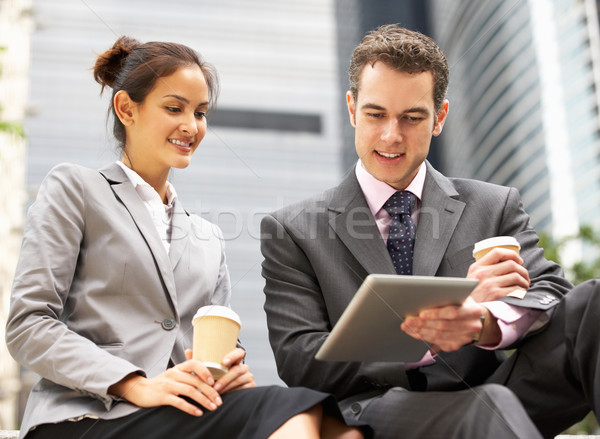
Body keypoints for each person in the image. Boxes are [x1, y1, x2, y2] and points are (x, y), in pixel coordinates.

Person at [6, 36, 366, 439]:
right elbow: (28, 325)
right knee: (294, 407)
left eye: (200, 112)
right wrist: (136, 384)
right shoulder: (77, 189)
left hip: (178, 413)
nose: (191, 126)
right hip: (86, 416)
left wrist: (227, 371)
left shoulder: (207, 237)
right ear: (127, 109)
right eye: (174, 108)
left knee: (341, 428)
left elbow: (212, 345)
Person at [261, 24, 600, 439]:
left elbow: (552, 296)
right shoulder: (292, 230)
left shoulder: (494, 205)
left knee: (594, 304)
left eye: (412, 117)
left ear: (439, 117)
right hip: (377, 411)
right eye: (375, 114)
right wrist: (426, 338)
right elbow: (300, 359)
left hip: (493, 390)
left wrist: (487, 322)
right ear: (352, 110)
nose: (391, 135)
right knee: (490, 408)